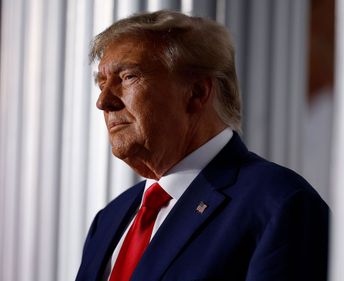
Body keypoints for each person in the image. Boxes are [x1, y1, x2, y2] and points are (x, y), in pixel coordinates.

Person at [76, 10, 329, 281]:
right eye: (102, 84)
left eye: (128, 77)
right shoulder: (110, 219)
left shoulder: (282, 204)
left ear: (196, 92)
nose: (103, 101)